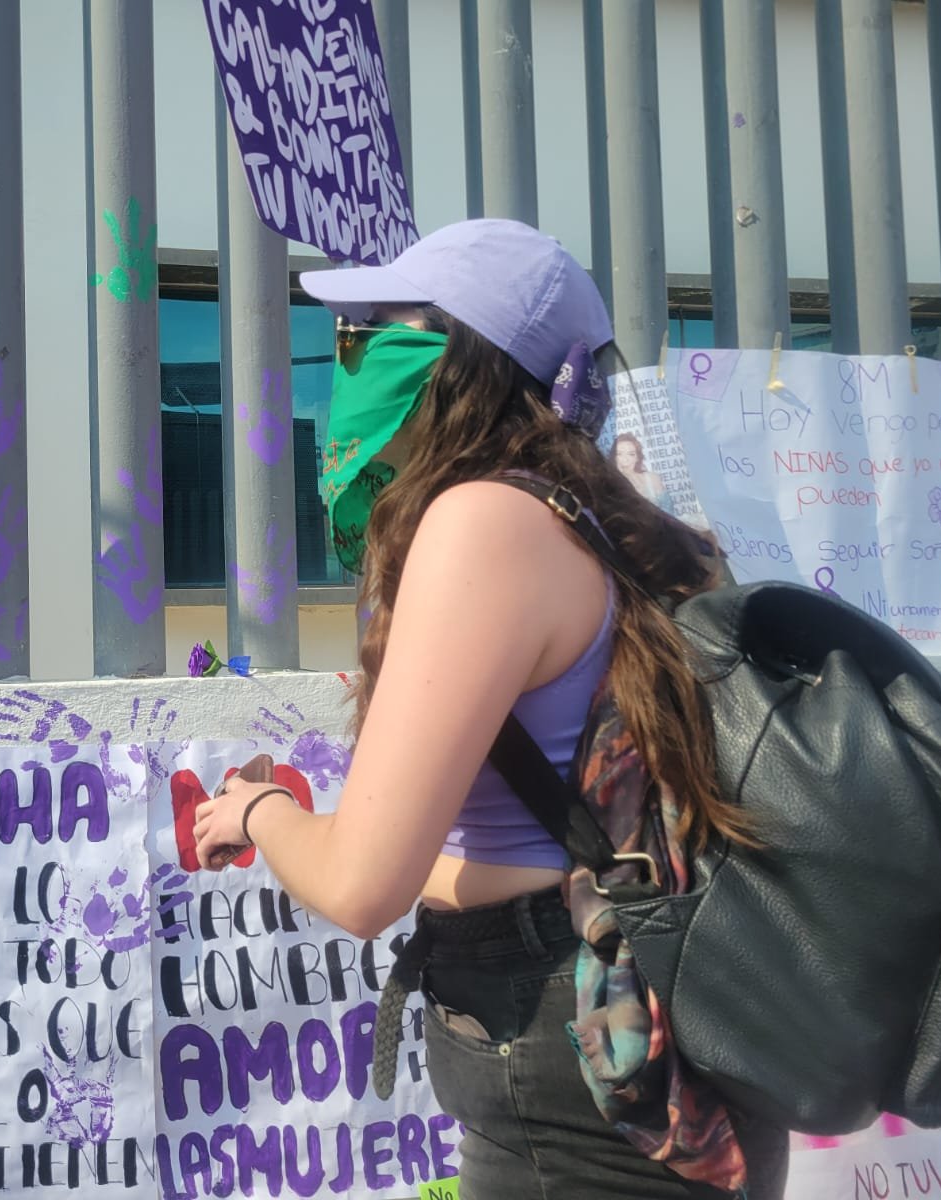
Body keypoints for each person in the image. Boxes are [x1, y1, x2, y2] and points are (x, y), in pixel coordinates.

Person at [193, 219, 788, 1199]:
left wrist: (258, 814)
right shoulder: (634, 529)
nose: (354, 358)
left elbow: (358, 887)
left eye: (379, 332)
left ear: (460, 360)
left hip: (578, 1055)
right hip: (673, 1029)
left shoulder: (482, 522)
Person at [612, 430, 674, 514]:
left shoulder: (653, 479)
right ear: (614, 457)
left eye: (631, 454)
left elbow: (669, 513)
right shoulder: (610, 485)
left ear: (637, 457)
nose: (625, 459)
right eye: (619, 454)